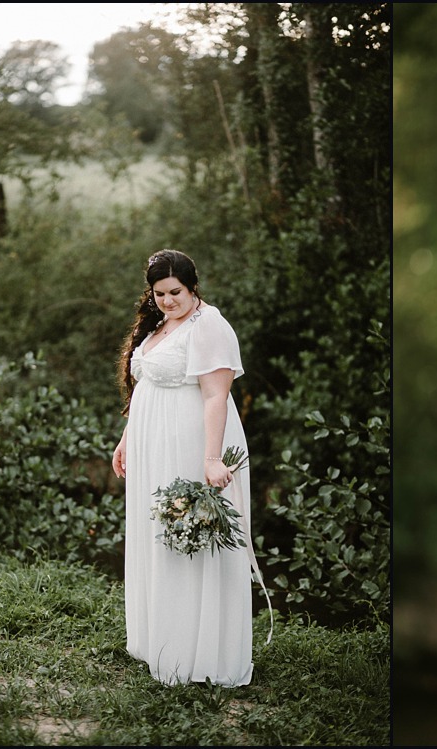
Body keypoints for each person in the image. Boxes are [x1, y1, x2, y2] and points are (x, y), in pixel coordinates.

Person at [111, 249, 271, 686]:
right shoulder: (161, 324)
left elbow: (216, 396)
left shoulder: (210, 325)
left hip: (190, 443)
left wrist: (211, 458)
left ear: (192, 286)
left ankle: (196, 655)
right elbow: (147, 384)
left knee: (188, 540)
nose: (167, 300)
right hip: (152, 444)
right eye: (159, 293)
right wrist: (128, 438)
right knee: (158, 536)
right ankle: (160, 640)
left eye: (175, 292)